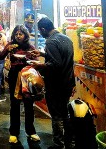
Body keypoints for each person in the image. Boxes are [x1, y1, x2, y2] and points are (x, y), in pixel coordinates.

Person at [32, 17, 75, 149]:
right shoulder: (66, 38)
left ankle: (58, 143)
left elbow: (55, 64)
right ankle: (70, 142)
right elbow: (60, 57)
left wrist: (40, 66)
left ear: (43, 29)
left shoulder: (51, 42)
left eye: (40, 31)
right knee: (64, 113)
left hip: (56, 84)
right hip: (67, 82)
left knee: (56, 115)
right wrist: (43, 54)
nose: (41, 33)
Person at [0, 25, 40, 144]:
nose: (18, 36)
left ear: (25, 35)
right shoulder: (11, 45)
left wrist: (32, 57)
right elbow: (0, 56)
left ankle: (31, 131)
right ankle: (13, 132)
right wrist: (7, 50)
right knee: (15, 104)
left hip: (27, 76)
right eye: (16, 34)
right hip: (14, 76)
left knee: (28, 104)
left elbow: (36, 60)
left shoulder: (30, 47)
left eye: (20, 34)